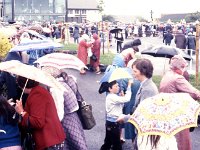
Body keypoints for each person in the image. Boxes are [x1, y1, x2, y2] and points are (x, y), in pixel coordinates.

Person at [41, 66, 88, 150]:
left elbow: (59, 110)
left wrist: (55, 124)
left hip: (66, 118)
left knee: (72, 142)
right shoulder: (67, 80)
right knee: (78, 140)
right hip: (74, 115)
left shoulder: (56, 88)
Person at [159, 54, 200, 150]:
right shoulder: (177, 78)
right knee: (181, 141)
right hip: (177, 114)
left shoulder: (168, 74)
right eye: (184, 67)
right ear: (180, 67)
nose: (184, 69)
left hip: (166, 112)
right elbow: (194, 92)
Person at [15, 76, 65, 150]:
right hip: (51, 139)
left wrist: (22, 112)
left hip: (49, 139)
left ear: (23, 85)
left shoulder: (37, 94)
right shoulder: (37, 91)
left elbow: (38, 122)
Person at [100, 80, 132, 150]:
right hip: (113, 123)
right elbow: (127, 99)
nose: (118, 87)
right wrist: (129, 87)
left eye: (118, 86)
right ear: (110, 89)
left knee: (108, 142)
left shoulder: (112, 96)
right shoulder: (112, 97)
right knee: (116, 144)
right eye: (116, 86)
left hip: (111, 122)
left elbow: (121, 106)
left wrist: (122, 97)